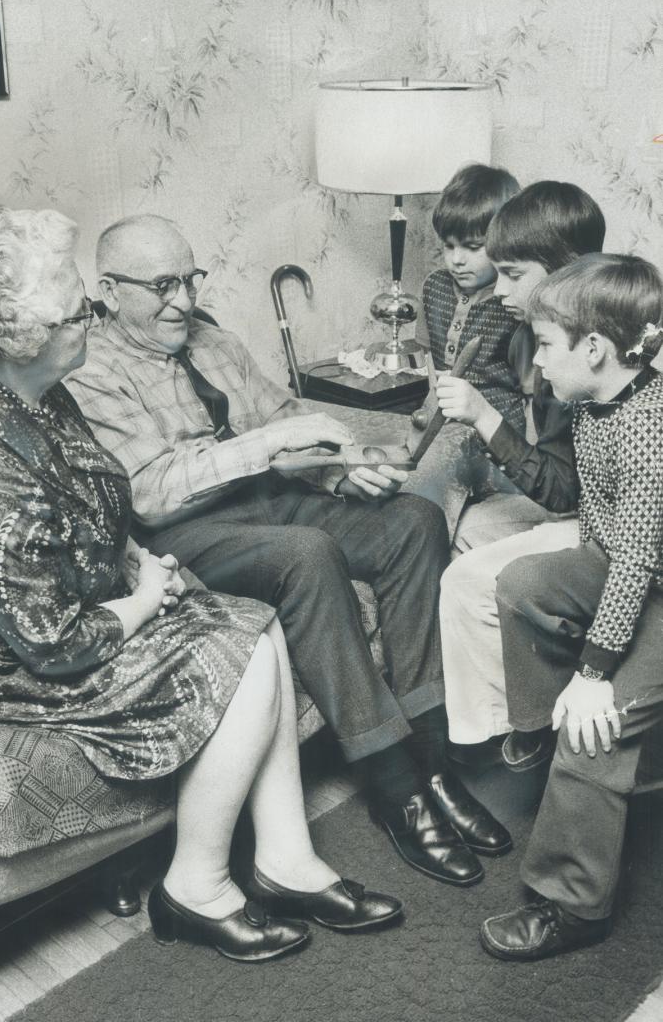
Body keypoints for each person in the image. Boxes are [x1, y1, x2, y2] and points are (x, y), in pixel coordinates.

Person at [0, 205, 403, 964]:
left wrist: (141, 567)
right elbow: (48, 642)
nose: (90, 317)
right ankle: (195, 888)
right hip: (3, 665)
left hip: (88, 602)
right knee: (235, 656)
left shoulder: (45, 396)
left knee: (256, 622)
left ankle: (286, 858)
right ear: (24, 334)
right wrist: (144, 601)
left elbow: (98, 511)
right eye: (77, 306)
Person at [66, 213, 510, 888]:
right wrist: (268, 448)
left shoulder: (214, 342)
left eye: (190, 278)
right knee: (307, 554)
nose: (183, 300)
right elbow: (151, 494)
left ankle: (435, 759)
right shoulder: (90, 368)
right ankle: (397, 788)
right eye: (161, 285)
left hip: (275, 500)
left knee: (414, 521)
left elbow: (283, 424)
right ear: (106, 289)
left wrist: (341, 468)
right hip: (184, 535)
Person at [479, 252, 663, 960]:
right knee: (523, 584)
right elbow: (605, 529)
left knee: (598, 730)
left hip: (651, 581)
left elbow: (640, 562)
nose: (537, 362)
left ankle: (574, 904)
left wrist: (594, 675)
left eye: (546, 345)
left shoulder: (651, 429)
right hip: (625, 568)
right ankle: (540, 732)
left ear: (594, 348)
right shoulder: (595, 399)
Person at [434, 182, 605, 766]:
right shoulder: (530, 337)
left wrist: (483, 416)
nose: (498, 288)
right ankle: (527, 682)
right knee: (473, 525)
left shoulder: (583, 350)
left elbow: (563, 491)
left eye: (512, 273)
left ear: (562, 272)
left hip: (613, 522)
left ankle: (524, 724)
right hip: (578, 502)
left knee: (463, 582)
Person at [422, 163, 524, 432]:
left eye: (473, 247)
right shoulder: (434, 286)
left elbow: (531, 394)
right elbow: (427, 360)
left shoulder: (515, 303)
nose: (457, 260)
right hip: (443, 423)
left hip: (500, 431)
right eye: (449, 245)